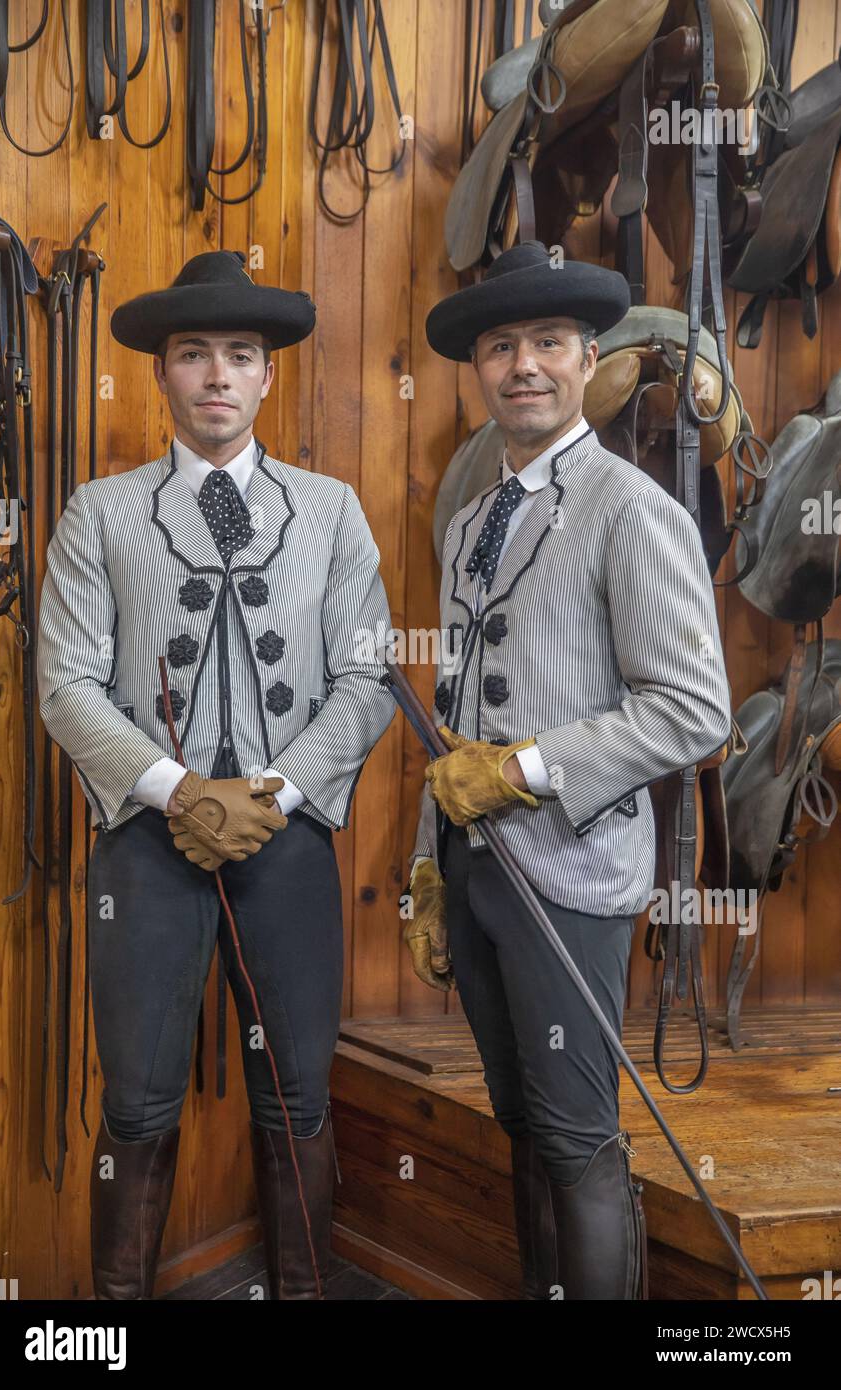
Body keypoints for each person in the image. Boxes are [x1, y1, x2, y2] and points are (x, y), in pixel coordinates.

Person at [37, 249, 395, 1300]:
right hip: (149, 840)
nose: (216, 377)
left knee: (295, 1095)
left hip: (286, 841)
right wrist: (176, 790)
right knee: (139, 1101)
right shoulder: (98, 513)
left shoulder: (330, 513)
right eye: (194, 355)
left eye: (239, 355)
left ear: (268, 375)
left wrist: (272, 793)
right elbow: (66, 685)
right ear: (161, 374)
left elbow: (364, 682)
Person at [405, 241, 731, 1300]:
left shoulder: (632, 511)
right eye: (499, 346)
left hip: (572, 878)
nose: (522, 366)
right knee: (521, 1122)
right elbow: (452, 712)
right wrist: (424, 864)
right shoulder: (466, 525)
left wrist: (527, 769)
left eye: (545, 342)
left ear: (587, 356)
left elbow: (693, 708)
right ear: (477, 369)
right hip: (475, 876)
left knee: (580, 1135)